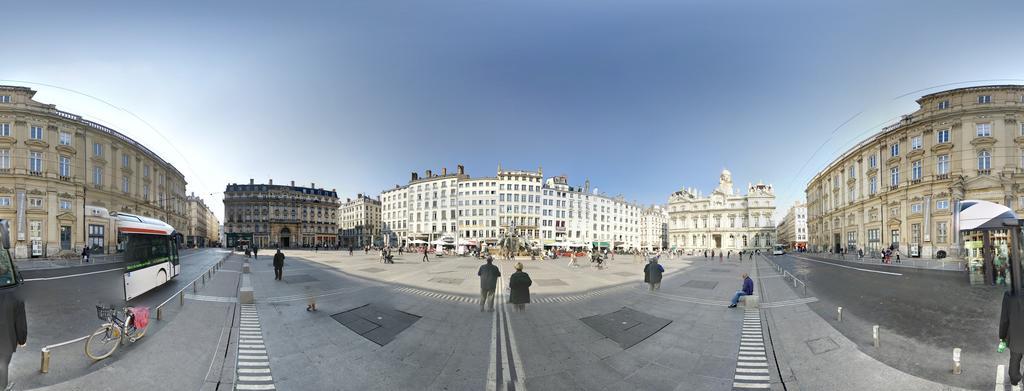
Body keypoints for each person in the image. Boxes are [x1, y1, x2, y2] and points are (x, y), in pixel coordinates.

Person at [0, 252, 27, 391]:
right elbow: (20, 320)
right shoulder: (13, 290)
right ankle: (3, 387)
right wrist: (22, 339)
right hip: (5, 340)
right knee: (3, 362)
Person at [1000, 290, 1024, 390]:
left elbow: (1004, 319)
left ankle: (1014, 379)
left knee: (1014, 359)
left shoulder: (1009, 294)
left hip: (1015, 335)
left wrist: (1002, 336)